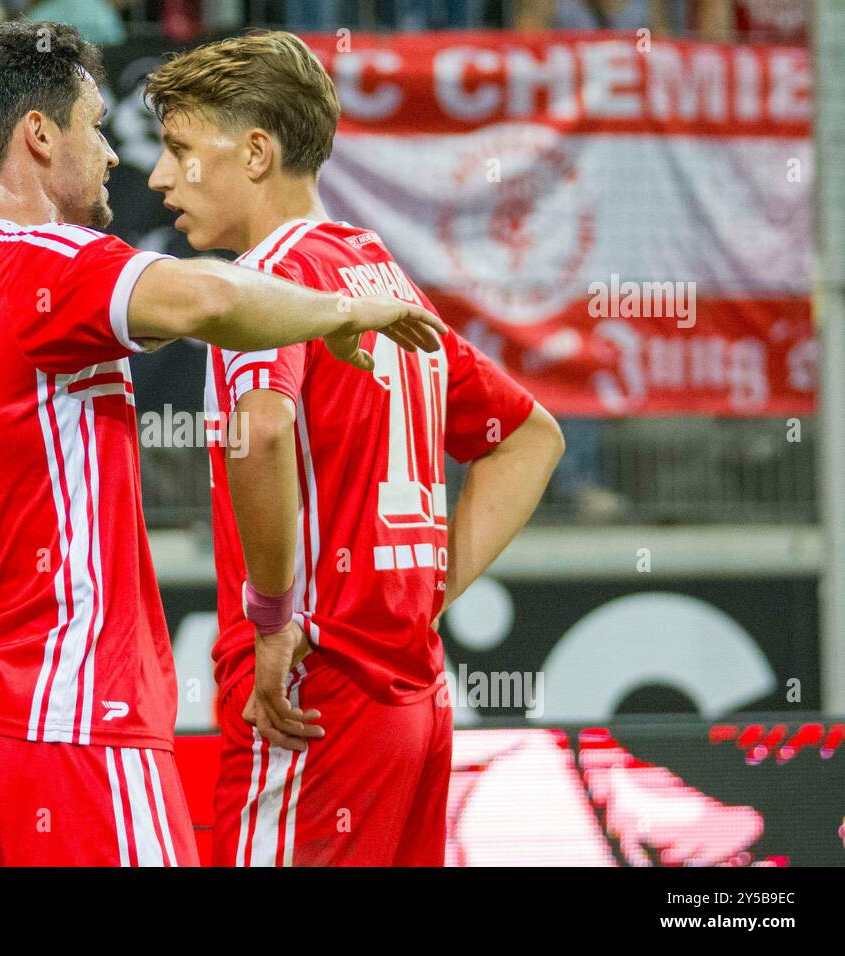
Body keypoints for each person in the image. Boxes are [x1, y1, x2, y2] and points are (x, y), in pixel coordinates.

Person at [0, 21, 445, 867]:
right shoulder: (48, 261)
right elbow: (203, 302)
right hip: (84, 735)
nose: (118, 158)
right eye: (96, 128)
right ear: (40, 136)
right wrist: (344, 311)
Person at [145, 30, 566, 866]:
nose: (160, 178)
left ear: (256, 153)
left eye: (180, 149)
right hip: (410, 696)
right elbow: (529, 438)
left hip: (314, 696)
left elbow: (262, 430)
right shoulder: (380, 275)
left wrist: (271, 622)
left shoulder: (262, 287)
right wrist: (413, 601)